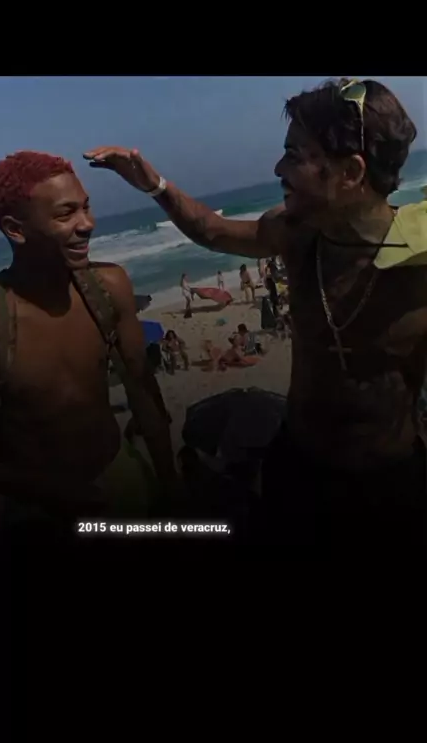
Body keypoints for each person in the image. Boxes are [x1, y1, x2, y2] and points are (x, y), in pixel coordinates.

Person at [83, 78, 427, 556]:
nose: (278, 168)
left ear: (350, 172)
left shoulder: (417, 266)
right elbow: (212, 230)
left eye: (294, 154)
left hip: (388, 486)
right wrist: (154, 185)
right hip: (297, 464)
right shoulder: (296, 234)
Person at [0, 151, 177, 528]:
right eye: (65, 213)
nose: (88, 224)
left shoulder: (109, 289)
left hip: (114, 475)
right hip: (22, 508)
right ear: (15, 229)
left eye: (86, 207)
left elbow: (142, 390)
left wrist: (169, 483)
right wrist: (41, 489)